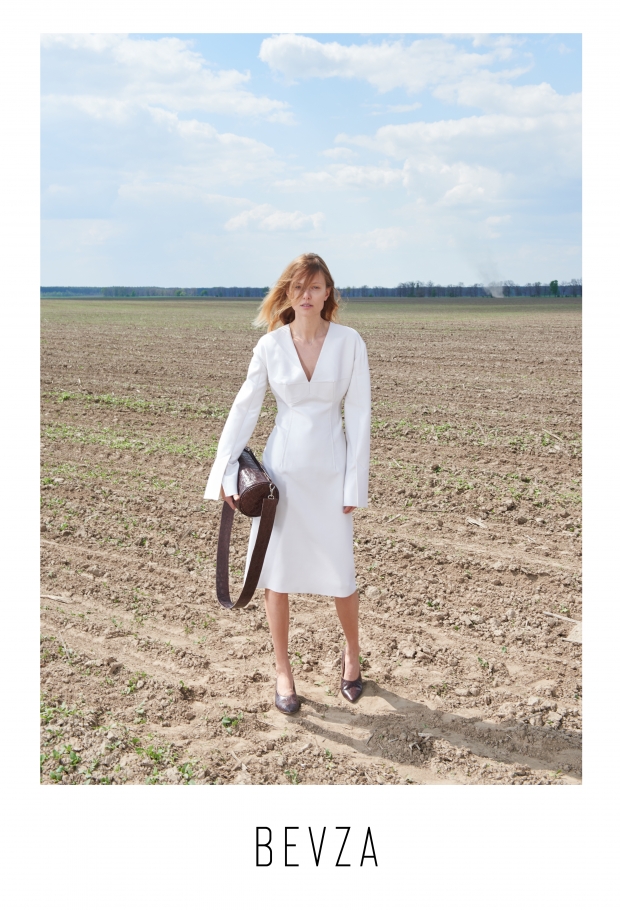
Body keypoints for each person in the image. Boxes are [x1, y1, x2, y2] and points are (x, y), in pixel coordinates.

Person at [204, 253, 371, 714]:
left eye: (315, 287)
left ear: (328, 292)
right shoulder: (270, 346)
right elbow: (244, 409)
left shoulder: (350, 342)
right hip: (282, 477)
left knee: (342, 576)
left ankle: (352, 655)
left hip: (332, 474)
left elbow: (359, 414)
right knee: (276, 576)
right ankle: (283, 670)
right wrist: (225, 472)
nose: (306, 295)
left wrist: (355, 485)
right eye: (298, 287)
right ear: (288, 293)